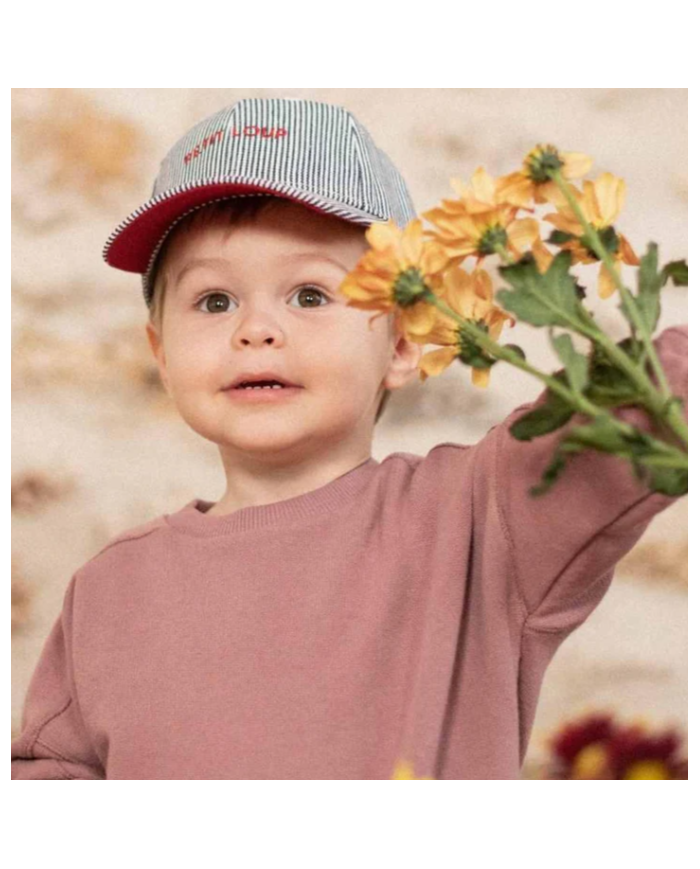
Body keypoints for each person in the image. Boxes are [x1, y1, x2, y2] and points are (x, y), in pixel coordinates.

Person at [11, 97, 687, 780]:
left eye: (309, 294)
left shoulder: (483, 518)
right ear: (161, 350)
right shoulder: (107, 592)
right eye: (215, 300)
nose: (255, 329)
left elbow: (644, 408)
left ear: (403, 338)